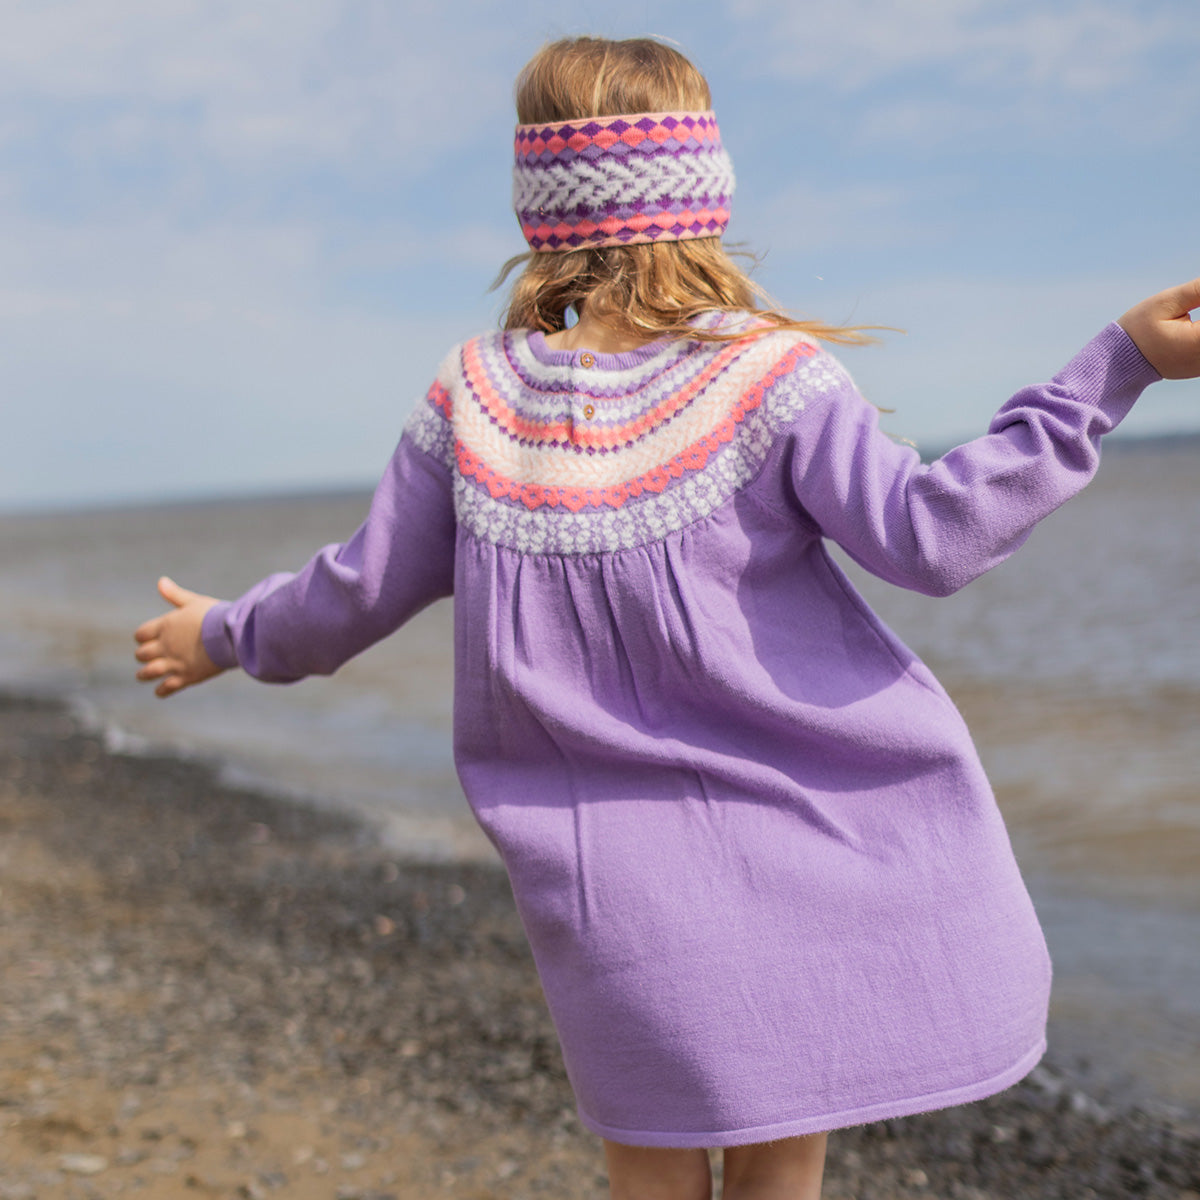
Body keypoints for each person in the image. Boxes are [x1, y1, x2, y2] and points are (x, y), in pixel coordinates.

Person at [134, 34, 1200, 1200]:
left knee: (647, 1160)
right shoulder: (771, 377)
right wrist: (1113, 370)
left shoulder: (475, 401)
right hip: (807, 845)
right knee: (781, 1151)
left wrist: (224, 633)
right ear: (703, 197)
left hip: (609, 900)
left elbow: (353, 592)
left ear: (539, 207)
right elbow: (934, 534)